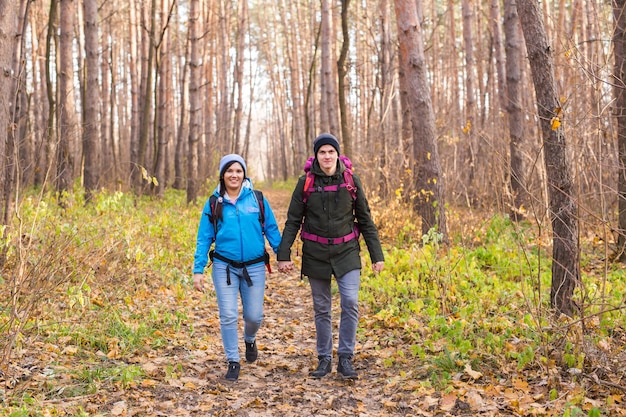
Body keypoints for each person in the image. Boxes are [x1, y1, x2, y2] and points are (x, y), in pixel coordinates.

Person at [277, 133, 384, 380]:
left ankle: (345, 357)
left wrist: (376, 254)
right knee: (322, 308)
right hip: (315, 253)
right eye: (322, 152)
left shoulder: (351, 181)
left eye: (331, 152)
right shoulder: (305, 183)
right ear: (316, 155)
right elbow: (293, 221)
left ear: (338, 154)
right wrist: (284, 255)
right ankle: (324, 359)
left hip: (346, 251)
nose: (327, 156)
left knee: (350, 302)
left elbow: (365, 220)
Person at [193, 154, 282, 381]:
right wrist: (198, 269)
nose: (234, 175)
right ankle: (233, 360)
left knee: (254, 316)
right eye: (229, 171)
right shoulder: (214, 202)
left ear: (244, 174)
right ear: (223, 175)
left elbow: (271, 228)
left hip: (254, 267)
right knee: (228, 315)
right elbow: (204, 238)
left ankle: (250, 339)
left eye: (238, 171)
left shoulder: (257, 199)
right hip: (224, 267)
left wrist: (283, 255)